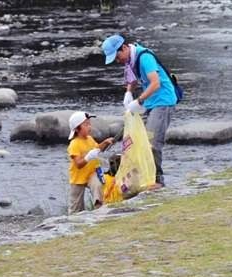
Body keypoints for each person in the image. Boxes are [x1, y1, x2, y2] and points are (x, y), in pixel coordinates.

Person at [102, 34, 178, 188]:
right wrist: (129, 92)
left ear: (123, 48)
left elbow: (155, 83)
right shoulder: (130, 59)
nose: (118, 61)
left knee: (153, 142)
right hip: (150, 103)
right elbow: (133, 80)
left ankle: (158, 181)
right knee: (138, 141)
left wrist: (139, 100)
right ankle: (144, 176)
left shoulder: (144, 58)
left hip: (163, 101)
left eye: (117, 57)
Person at [67, 111, 115, 214]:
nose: (89, 127)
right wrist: (88, 157)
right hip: (77, 178)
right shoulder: (74, 144)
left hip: (92, 173)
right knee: (75, 208)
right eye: (86, 125)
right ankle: (74, 220)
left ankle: (99, 207)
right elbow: (78, 164)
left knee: (97, 185)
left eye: (89, 124)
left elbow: (97, 149)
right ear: (77, 129)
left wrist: (105, 142)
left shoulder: (89, 139)